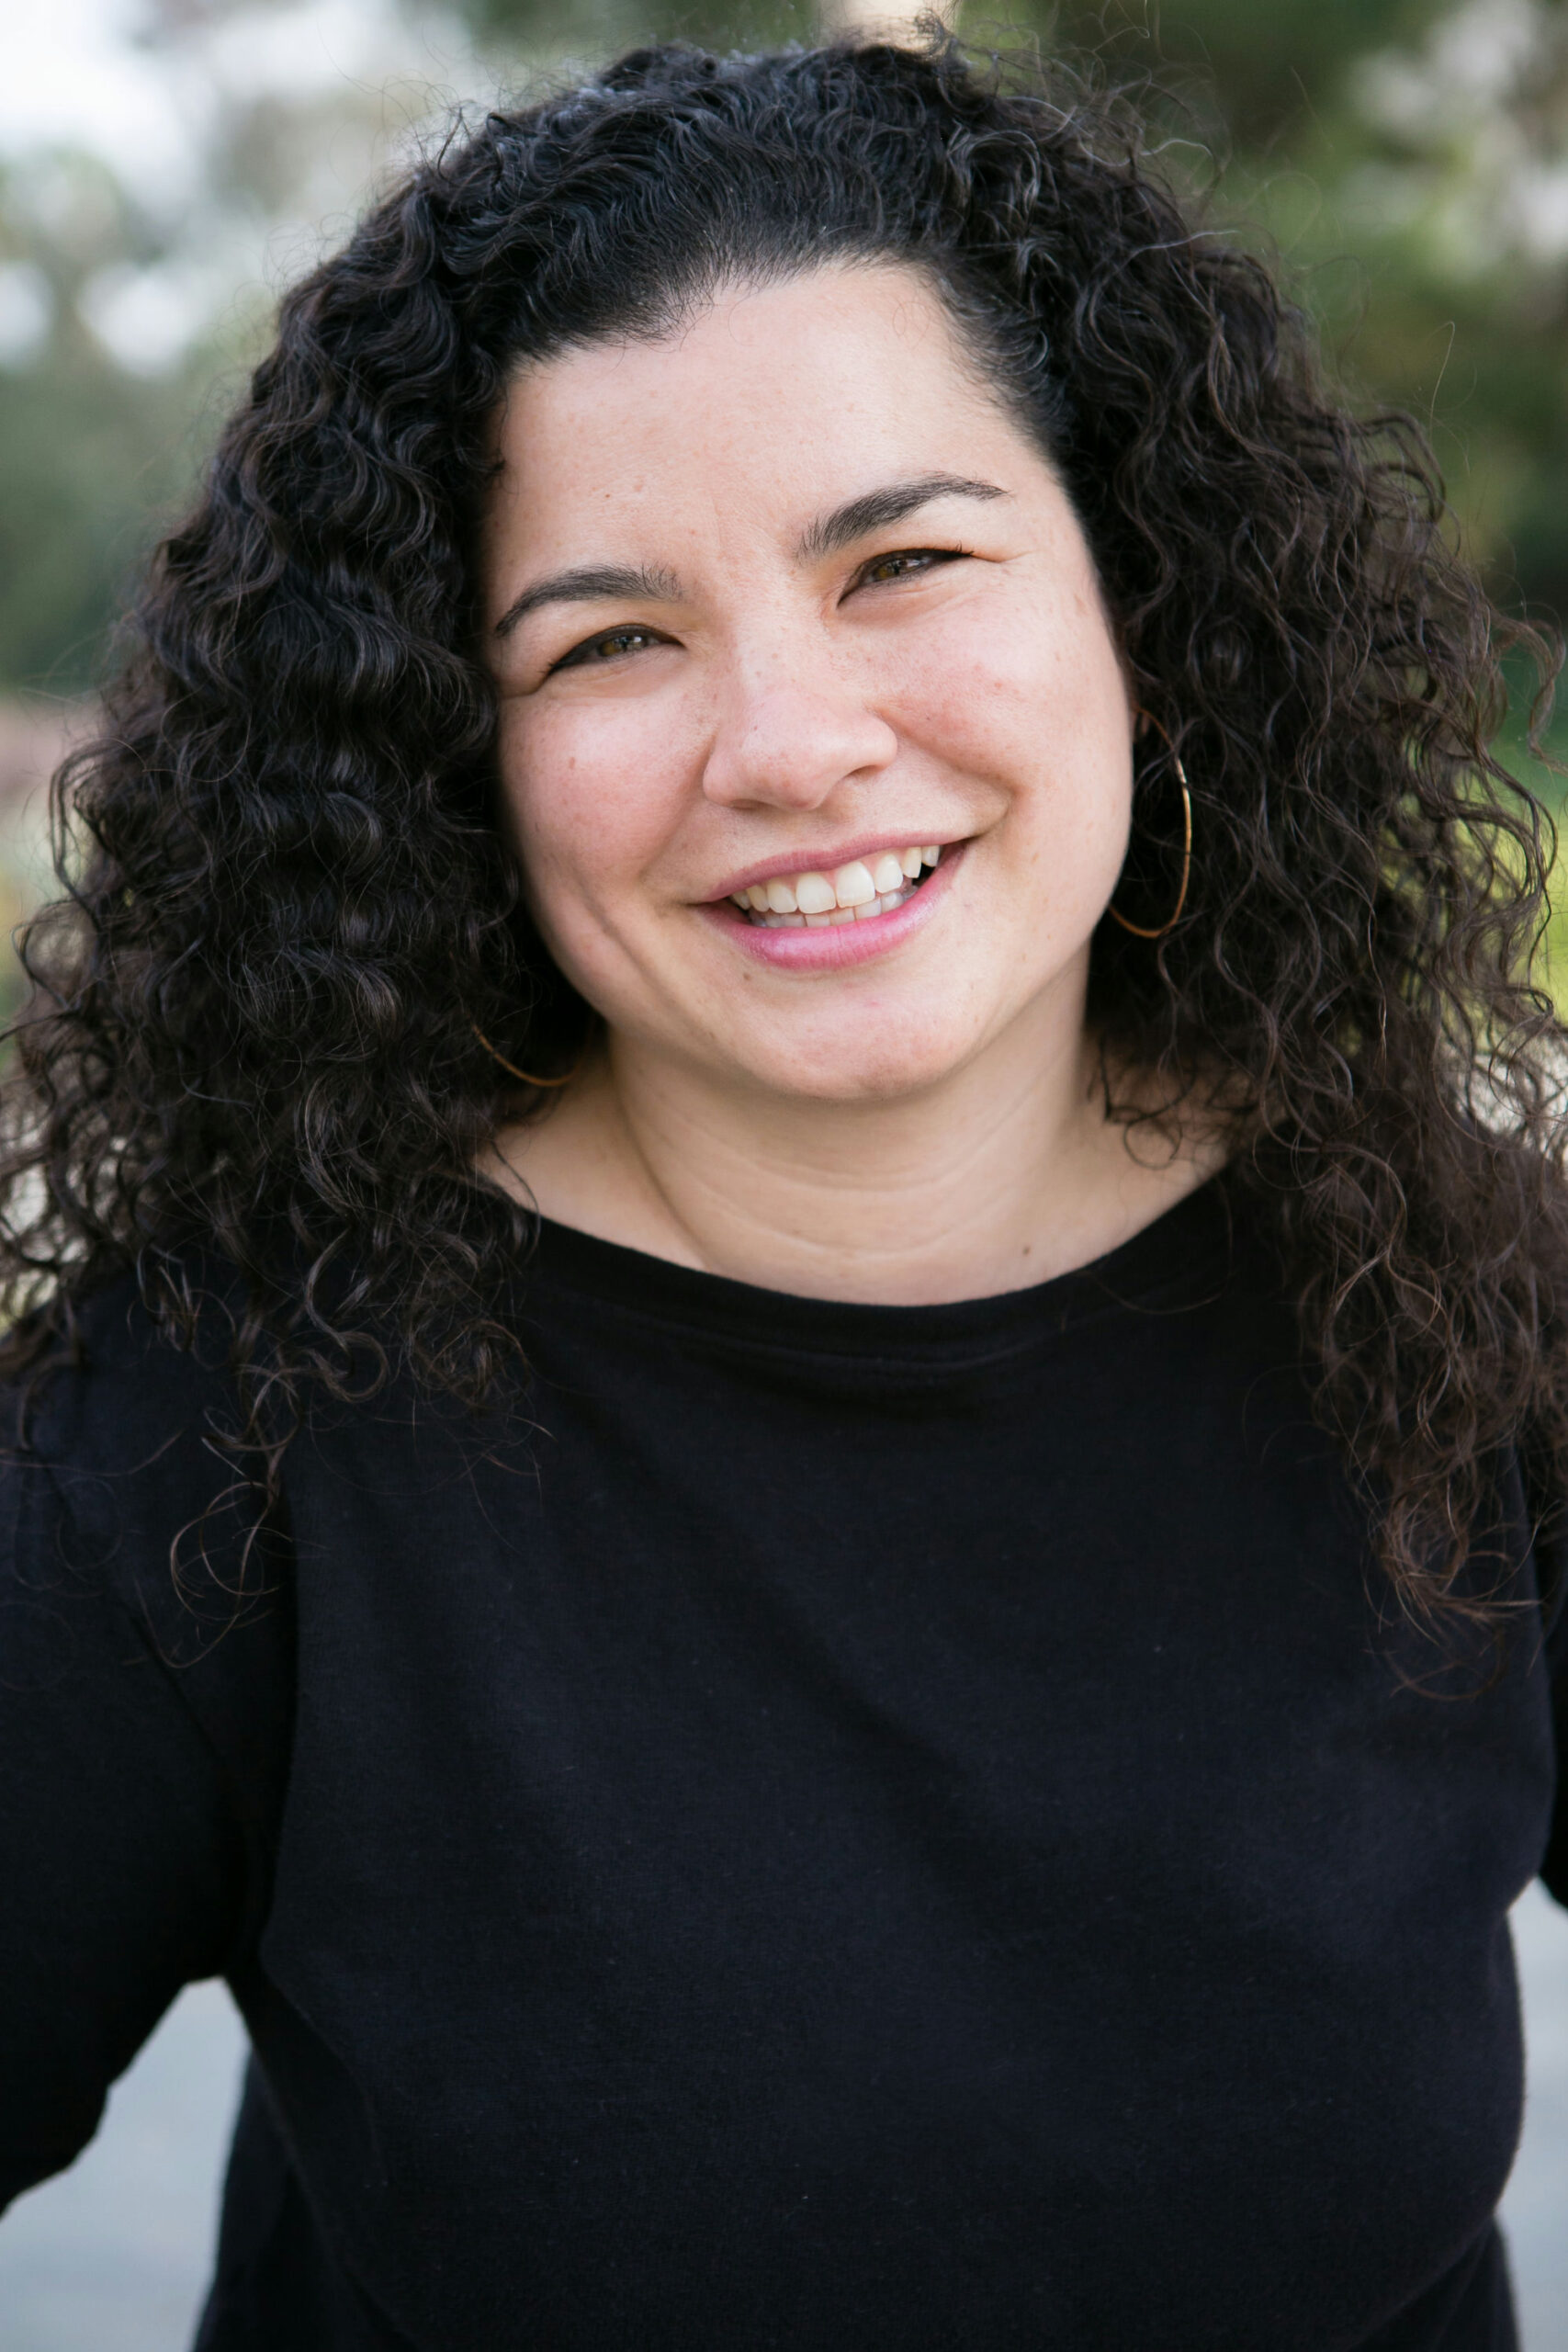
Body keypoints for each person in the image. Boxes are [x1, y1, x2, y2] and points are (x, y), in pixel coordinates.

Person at [0, 30, 1563, 2349]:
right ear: (458, 751)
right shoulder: (226, 1413)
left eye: (902, 560)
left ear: (1136, 602)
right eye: (608, 638)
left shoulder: (1450, 1282)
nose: (789, 744)